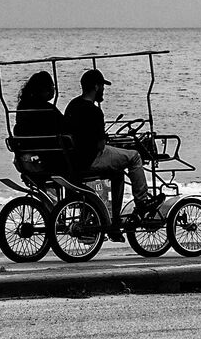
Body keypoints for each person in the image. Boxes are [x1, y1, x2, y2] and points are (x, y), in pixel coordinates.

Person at [64, 69, 154, 241]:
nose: (103, 90)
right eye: (102, 87)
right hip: (90, 159)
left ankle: (114, 220)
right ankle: (142, 201)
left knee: (117, 172)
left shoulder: (72, 105)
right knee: (134, 156)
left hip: (74, 160)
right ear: (96, 87)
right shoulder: (95, 112)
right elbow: (100, 145)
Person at [13, 70, 69, 176]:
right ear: (45, 90)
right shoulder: (48, 110)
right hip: (48, 157)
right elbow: (65, 126)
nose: (54, 90)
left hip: (24, 155)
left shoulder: (23, 107)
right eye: (52, 86)